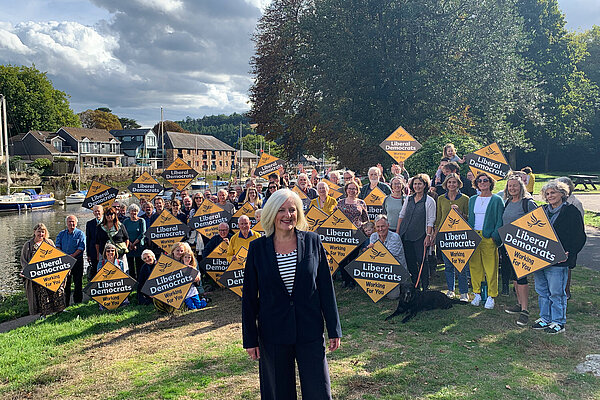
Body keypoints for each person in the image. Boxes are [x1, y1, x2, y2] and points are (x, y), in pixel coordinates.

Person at [242, 189, 342, 399]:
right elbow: (250, 298)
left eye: (292, 209)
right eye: (281, 210)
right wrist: (250, 339)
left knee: (318, 391)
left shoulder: (313, 242)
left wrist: (334, 329)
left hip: (310, 330)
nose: (287, 215)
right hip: (273, 333)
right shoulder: (257, 248)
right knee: (279, 392)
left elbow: (325, 288)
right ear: (271, 214)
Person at [532, 180, 586, 334]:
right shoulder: (541, 211)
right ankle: (545, 318)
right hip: (539, 259)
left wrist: (569, 252)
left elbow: (579, 236)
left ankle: (558, 322)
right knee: (542, 290)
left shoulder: (571, 212)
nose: (550, 196)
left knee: (556, 292)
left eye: (553, 193)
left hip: (559, 260)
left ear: (562, 193)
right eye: (547, 194)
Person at [501, 174, 537, 326]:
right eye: (510, 186)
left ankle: (525, 310)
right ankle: (518, 303)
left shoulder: (528, 203)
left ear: (521, 186)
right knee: (514, 278)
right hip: (507, 245)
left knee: (521, 278)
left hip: (522, 246)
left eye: (515, 185)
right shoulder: (508, 201)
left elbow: (538, 222)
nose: (512, 188)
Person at [467, 172, 504, 309]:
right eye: (479, 181)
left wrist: (495, 235)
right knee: (475, 266)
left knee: (491, 267)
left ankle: (491, 295)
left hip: (489, 237)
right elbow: (470, 217)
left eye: (485, 180)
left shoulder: (496, 200)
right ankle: (477, 293)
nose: (482, 183)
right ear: (476, 184)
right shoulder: (472, 199)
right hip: (474, 236)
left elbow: (500, 219)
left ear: (490, 182)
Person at [397, 174, 436, 291]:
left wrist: (428, 236)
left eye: (420, 184)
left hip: (420, 236)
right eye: (415, 184)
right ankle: (415, 285)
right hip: (406, 235)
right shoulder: (408, 198)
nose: (417, 186)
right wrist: (398, 232)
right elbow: (401, 215)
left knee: (422, 261)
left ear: (425, 185)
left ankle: (425, 286)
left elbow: (431, 219)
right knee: (411, 262)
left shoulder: (429, 201)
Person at [434, 173, 470, 301]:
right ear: (445, 184)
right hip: (445, 235)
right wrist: (436, 234)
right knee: (448, 265)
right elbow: (438, 218)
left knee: (461, 265)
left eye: (454, 182)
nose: (451, 185)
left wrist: (460, 213)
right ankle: (451, 289)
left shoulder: (465, 199)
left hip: (460, 236)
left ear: (458, 184)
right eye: (449, 182)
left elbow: (469, 218)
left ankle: (464, 292)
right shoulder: (441, 199)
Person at [20, 223, 66, 316]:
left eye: (43, 232)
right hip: (37, 276)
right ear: (34, 232)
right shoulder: (28, 245)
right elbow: (23, 260)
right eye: (39, 231)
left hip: (50, 274)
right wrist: (27, 271)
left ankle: (59, 310)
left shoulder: (49, 242)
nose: (41, 234)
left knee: (56, 291)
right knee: (42, 294)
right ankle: (43, 314)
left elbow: (56, 256)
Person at [556, 176, 584, 300]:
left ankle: (566, 291)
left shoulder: (575, 203)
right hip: (557, 241)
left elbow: (579, 225)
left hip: (569, 241)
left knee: (567, 266)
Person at [367, 215, 407, 299]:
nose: (380, 229)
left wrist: (374, 252)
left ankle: (400, 285)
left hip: (396, 271)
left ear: (388, 226)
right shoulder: (373, 236)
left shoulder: (395, 237)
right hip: (381, 271)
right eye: (378, 227)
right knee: (374, 292)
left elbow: (388, 259)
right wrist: (368, 252)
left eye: (383, 226)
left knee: (392, 296)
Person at [55, 215, 86, 306]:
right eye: (69, 222)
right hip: (64, 262)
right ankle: (65, 303)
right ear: (66, 223)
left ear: (76, 223)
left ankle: (78, 303)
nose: (71, 223)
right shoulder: (61, 234)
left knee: (78, 282)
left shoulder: (80, 234)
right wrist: (64, 257)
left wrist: (72, 256)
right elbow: (57, 246)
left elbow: (81, 247)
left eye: (73, 222)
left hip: (77, 261)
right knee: (65, 284)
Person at [96, 206, 130, 274]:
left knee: (123, 271)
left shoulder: (120, 226)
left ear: (115, 215)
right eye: (107, 214)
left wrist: (123, 249)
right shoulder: (100, 227)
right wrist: (98, 254)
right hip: (105, 254)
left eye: (111, 214)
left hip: (119, 254)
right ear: (105, 216)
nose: (109, 216)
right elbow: (97, 242)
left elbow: (126, 239)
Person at [123, 204, 146, 280]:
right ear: (129, 212)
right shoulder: (126, 222)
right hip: (129, 246)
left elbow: (143, 233)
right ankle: (132, 281)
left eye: (135, 211)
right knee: (130, 265)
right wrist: (130, 244)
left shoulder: (141, 221)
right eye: (132, 211)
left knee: (139, 264)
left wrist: (135, 243)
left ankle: (140, 281)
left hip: (139, 246)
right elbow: (124, 233)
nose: (133, 213)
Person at [86, 204, 103, 280]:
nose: (97, 213)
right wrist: (88, 254)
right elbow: (88, 239)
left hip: (104, 250)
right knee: (95, 269)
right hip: (93, 251)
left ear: (102, 212)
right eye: (95, 211)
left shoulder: (107, 222)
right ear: (93, 213)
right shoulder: (89, 224)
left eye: (98, 211)